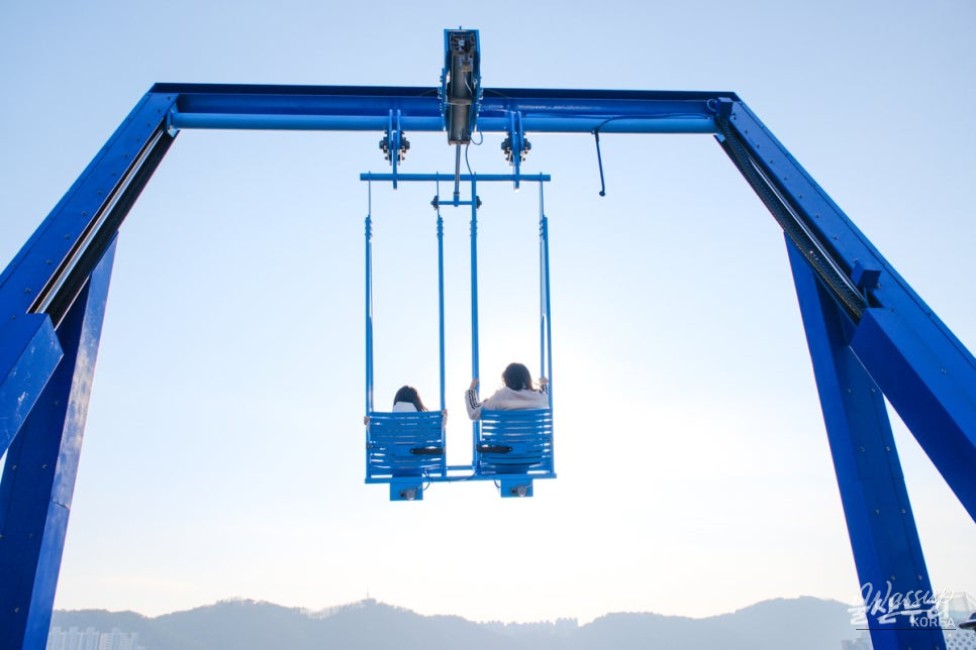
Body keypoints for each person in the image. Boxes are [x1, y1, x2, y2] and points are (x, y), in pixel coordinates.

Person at [465, 362, 549, 420]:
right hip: (532, 445)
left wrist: (471, 390)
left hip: (504, 445)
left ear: (506, 379)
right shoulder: (540, 397)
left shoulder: (501, 396)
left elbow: (473, 413)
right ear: (528, 379)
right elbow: (547, 397)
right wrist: (544, 384)